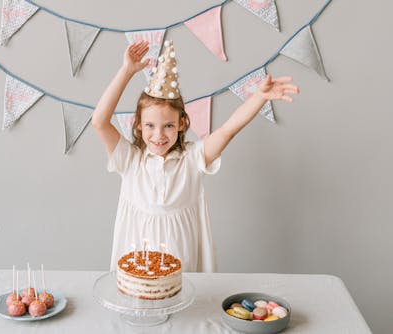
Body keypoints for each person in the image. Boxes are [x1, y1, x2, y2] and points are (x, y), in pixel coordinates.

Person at [91, 40, 299, 272]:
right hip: (135, 268)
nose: (158, 135)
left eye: (168, 125)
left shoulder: (192, 158)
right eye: (150, 125)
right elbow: (99, 122)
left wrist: (259, 98)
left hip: (182, 265)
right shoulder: (130, 161)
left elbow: (228, 130)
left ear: (181, 124)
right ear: (137, 124)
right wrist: (126, 71)